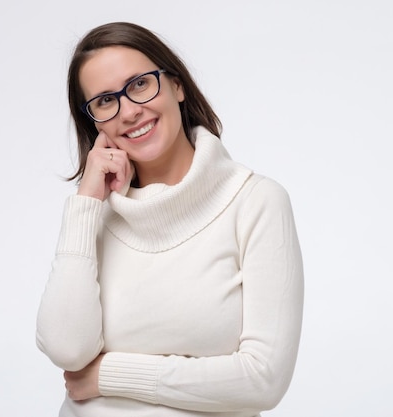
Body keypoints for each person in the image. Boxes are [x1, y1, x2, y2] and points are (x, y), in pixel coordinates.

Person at [36, 21, 304, 417]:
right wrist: (86, 202)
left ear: (177, 85)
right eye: (105, 101)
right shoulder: (92, 214)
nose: (128, 111)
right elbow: (67, 348)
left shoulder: (255, 202)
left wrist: (109, 375)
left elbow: (263, 379)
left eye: (140, 84)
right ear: (94, 122)